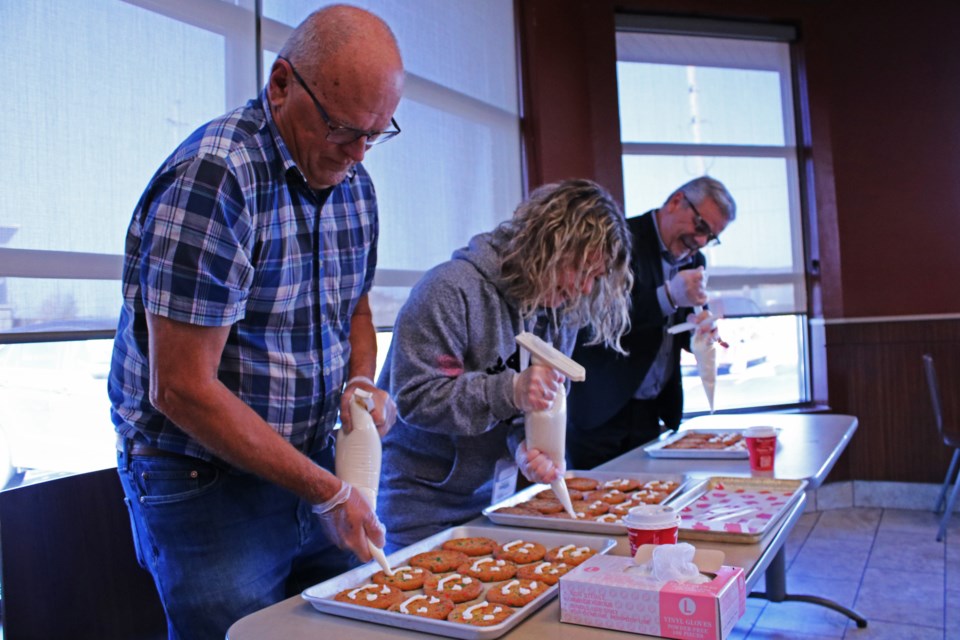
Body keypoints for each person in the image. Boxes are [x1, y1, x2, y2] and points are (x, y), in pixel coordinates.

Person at [108, 6, 403, 638]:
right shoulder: (217, 178)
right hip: (201, 473)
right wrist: (323, 489)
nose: (358, 153)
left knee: (347, 624)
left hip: (307, 459)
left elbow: (356, 308)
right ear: (281, 84)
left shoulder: (356, 182)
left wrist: (359, 381)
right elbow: (181, 387)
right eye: (344, 128)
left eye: (377, 133)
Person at [376, 179, 634, 549]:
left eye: (596, 278)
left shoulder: (562, 309)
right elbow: (416, 398)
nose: (586, 289)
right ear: (548, 245)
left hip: (498, 501)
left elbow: (528, 410)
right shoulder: (450, 289)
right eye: (582, 271)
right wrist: (510, 389)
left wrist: (525, 451)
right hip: (421, 510)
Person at [566, 176, 736, 469]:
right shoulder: (619, 240)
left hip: (653, 409)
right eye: (701, 227)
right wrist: (669, 296)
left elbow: (680, 331)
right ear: (675, 202)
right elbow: (600, 320)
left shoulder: (696, 261)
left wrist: (700, 332)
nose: (700, 242)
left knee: (650, 503)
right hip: (602, 407)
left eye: (711, 237)